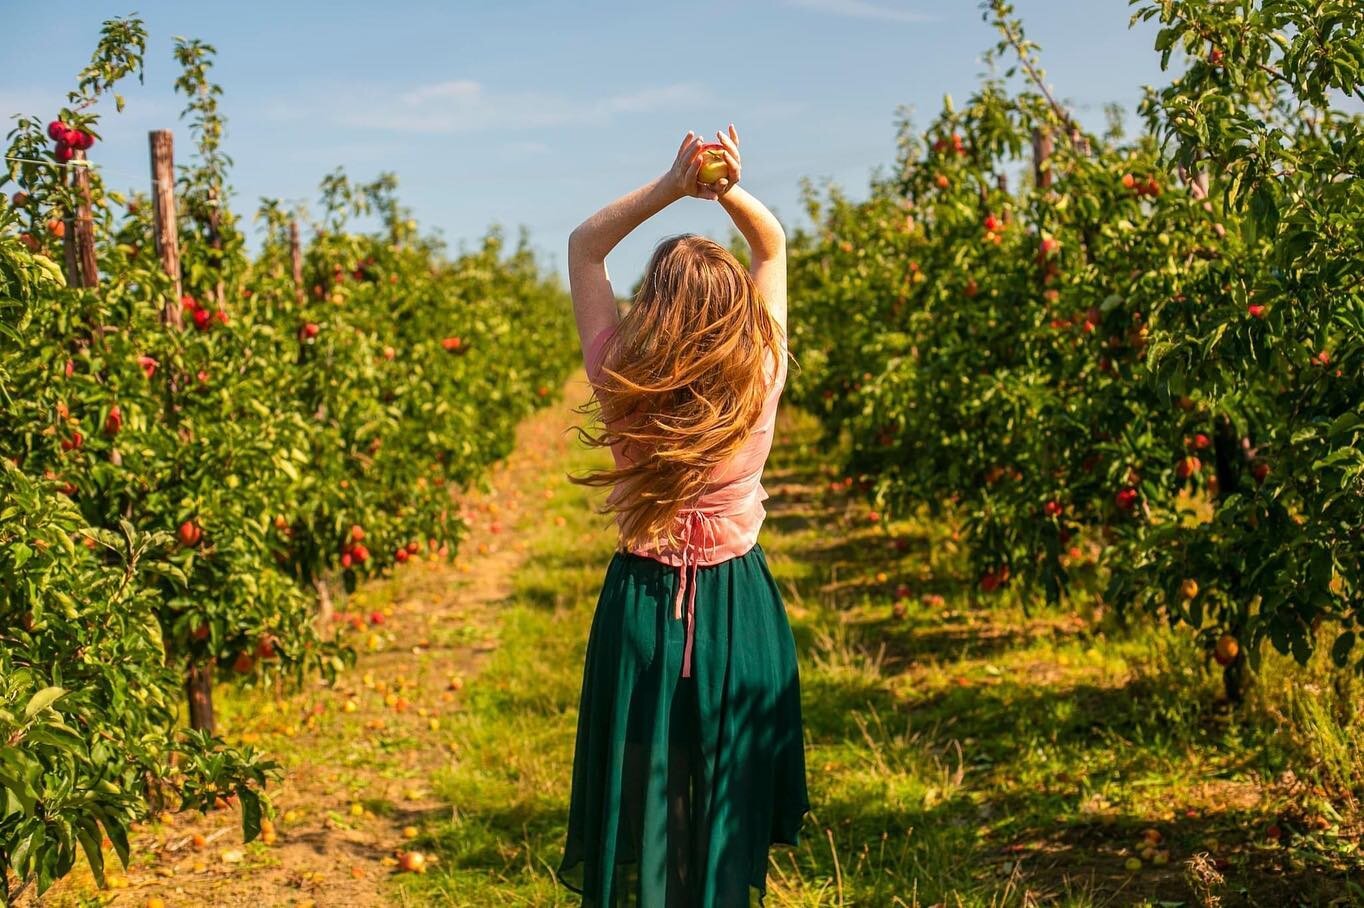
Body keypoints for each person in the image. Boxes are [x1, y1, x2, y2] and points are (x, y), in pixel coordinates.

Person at [556, 126, 810, 907]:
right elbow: (771, 248)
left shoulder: (621, 376)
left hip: (643, 608)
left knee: (655, 815)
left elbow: (584, 247)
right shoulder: (760, 369)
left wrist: (673, 185)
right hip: (740, 609)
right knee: (727, 817)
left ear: (654, 310)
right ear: (739, 311)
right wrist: (724, 186)